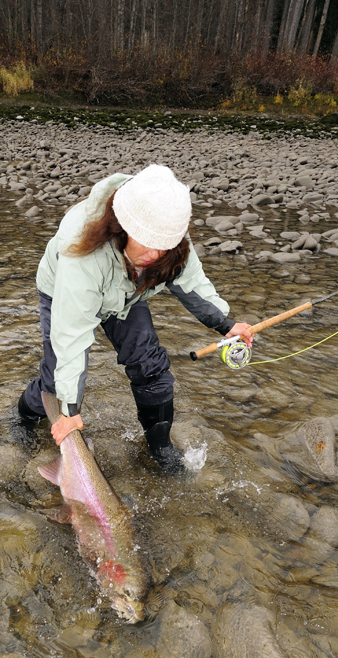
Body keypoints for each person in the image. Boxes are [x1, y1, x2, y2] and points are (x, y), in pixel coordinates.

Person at [16, 164, 253, 472]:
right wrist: (71, 410)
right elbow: (71, 333)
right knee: (58, 381)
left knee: (150, 363)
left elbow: (191, 282)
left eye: (164, 245)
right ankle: (23, 417)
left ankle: (159, 445)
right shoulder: (83, 249)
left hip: (127, 292)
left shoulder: (169, 231)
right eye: (147, 241)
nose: (156, 254)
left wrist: (226, 324)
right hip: (63, 292)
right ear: (123, 226)